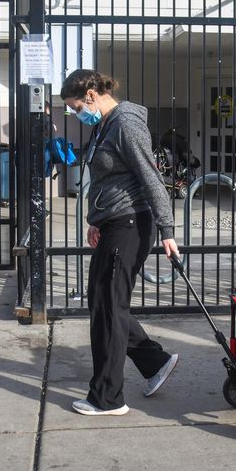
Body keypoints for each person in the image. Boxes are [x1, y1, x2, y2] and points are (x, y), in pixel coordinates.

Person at [60, 69, 180, 416]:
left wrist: (168, 230)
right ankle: (155, 362)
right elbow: (106, 178)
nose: (75, 114)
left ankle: (107, 398)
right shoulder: (104, 124)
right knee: (104, 304)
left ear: (92, 95)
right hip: (113, 224)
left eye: (75, 106)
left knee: (109, 311)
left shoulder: (126, 123)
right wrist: (96, 220)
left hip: (130, 226)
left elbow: (151, 178)